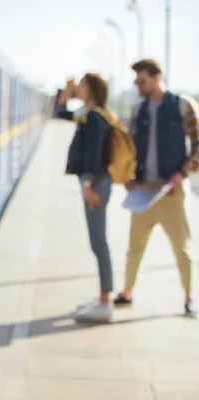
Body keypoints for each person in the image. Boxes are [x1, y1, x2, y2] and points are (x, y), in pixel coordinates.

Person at [114, 59, 199, 318]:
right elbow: (128, 148)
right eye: (136, 82)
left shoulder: (182, 106)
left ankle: (189, 297)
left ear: (157, 77)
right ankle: (127, 292)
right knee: (134, 247)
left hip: (170, 192)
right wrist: (127, 176)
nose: (139, 86)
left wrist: (183, 173)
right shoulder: (138, 110)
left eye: (142, 81)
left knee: (181, 247)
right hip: (143, 191)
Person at [56, 73, 114, 322]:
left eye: (81, 85)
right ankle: (103, 297)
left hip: (95, 183)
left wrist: (88, 187)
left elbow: (93, 156)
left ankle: (105, 302)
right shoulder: (89, 113)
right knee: (97, 242)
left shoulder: (94, 117)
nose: (78, 88)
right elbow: (60, 114)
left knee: (99, 243)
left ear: (91, 88)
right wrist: (66, 94)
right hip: (94, 182)